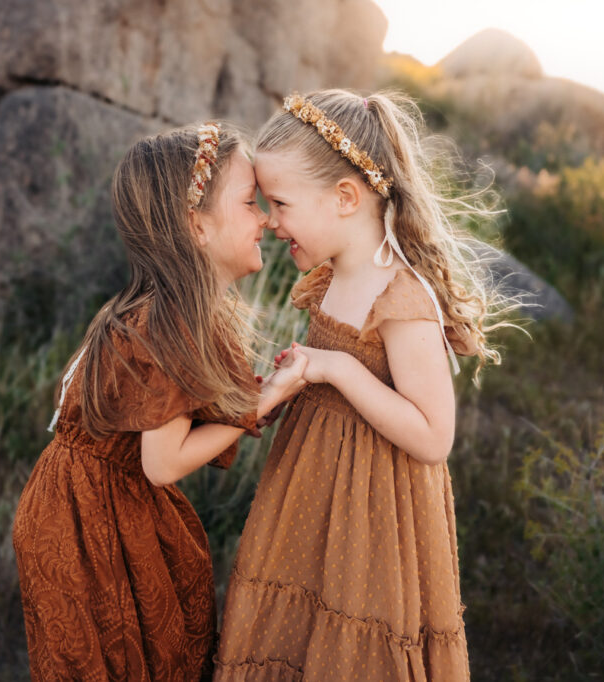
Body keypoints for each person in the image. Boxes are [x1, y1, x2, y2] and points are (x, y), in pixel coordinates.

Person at [215, 90, 505, 681]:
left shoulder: (401, 295)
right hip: (308, 499)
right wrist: (285, 383)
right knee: (297, 635)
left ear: (345, 197)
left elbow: (432, 436)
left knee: (351, 645)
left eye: (281, 203)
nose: (270, 222)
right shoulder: (330, 279)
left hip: (375, 517)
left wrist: (336, 369)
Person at [12, 121, 307, 681]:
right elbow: (163, 462)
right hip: (85, 516)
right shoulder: (166, 322)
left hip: (103, 500)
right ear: (196, 226)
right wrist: (273, 394)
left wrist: (263, 400)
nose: (267, 219)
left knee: (161, 642)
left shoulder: (176, 310)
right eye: (250, 203)